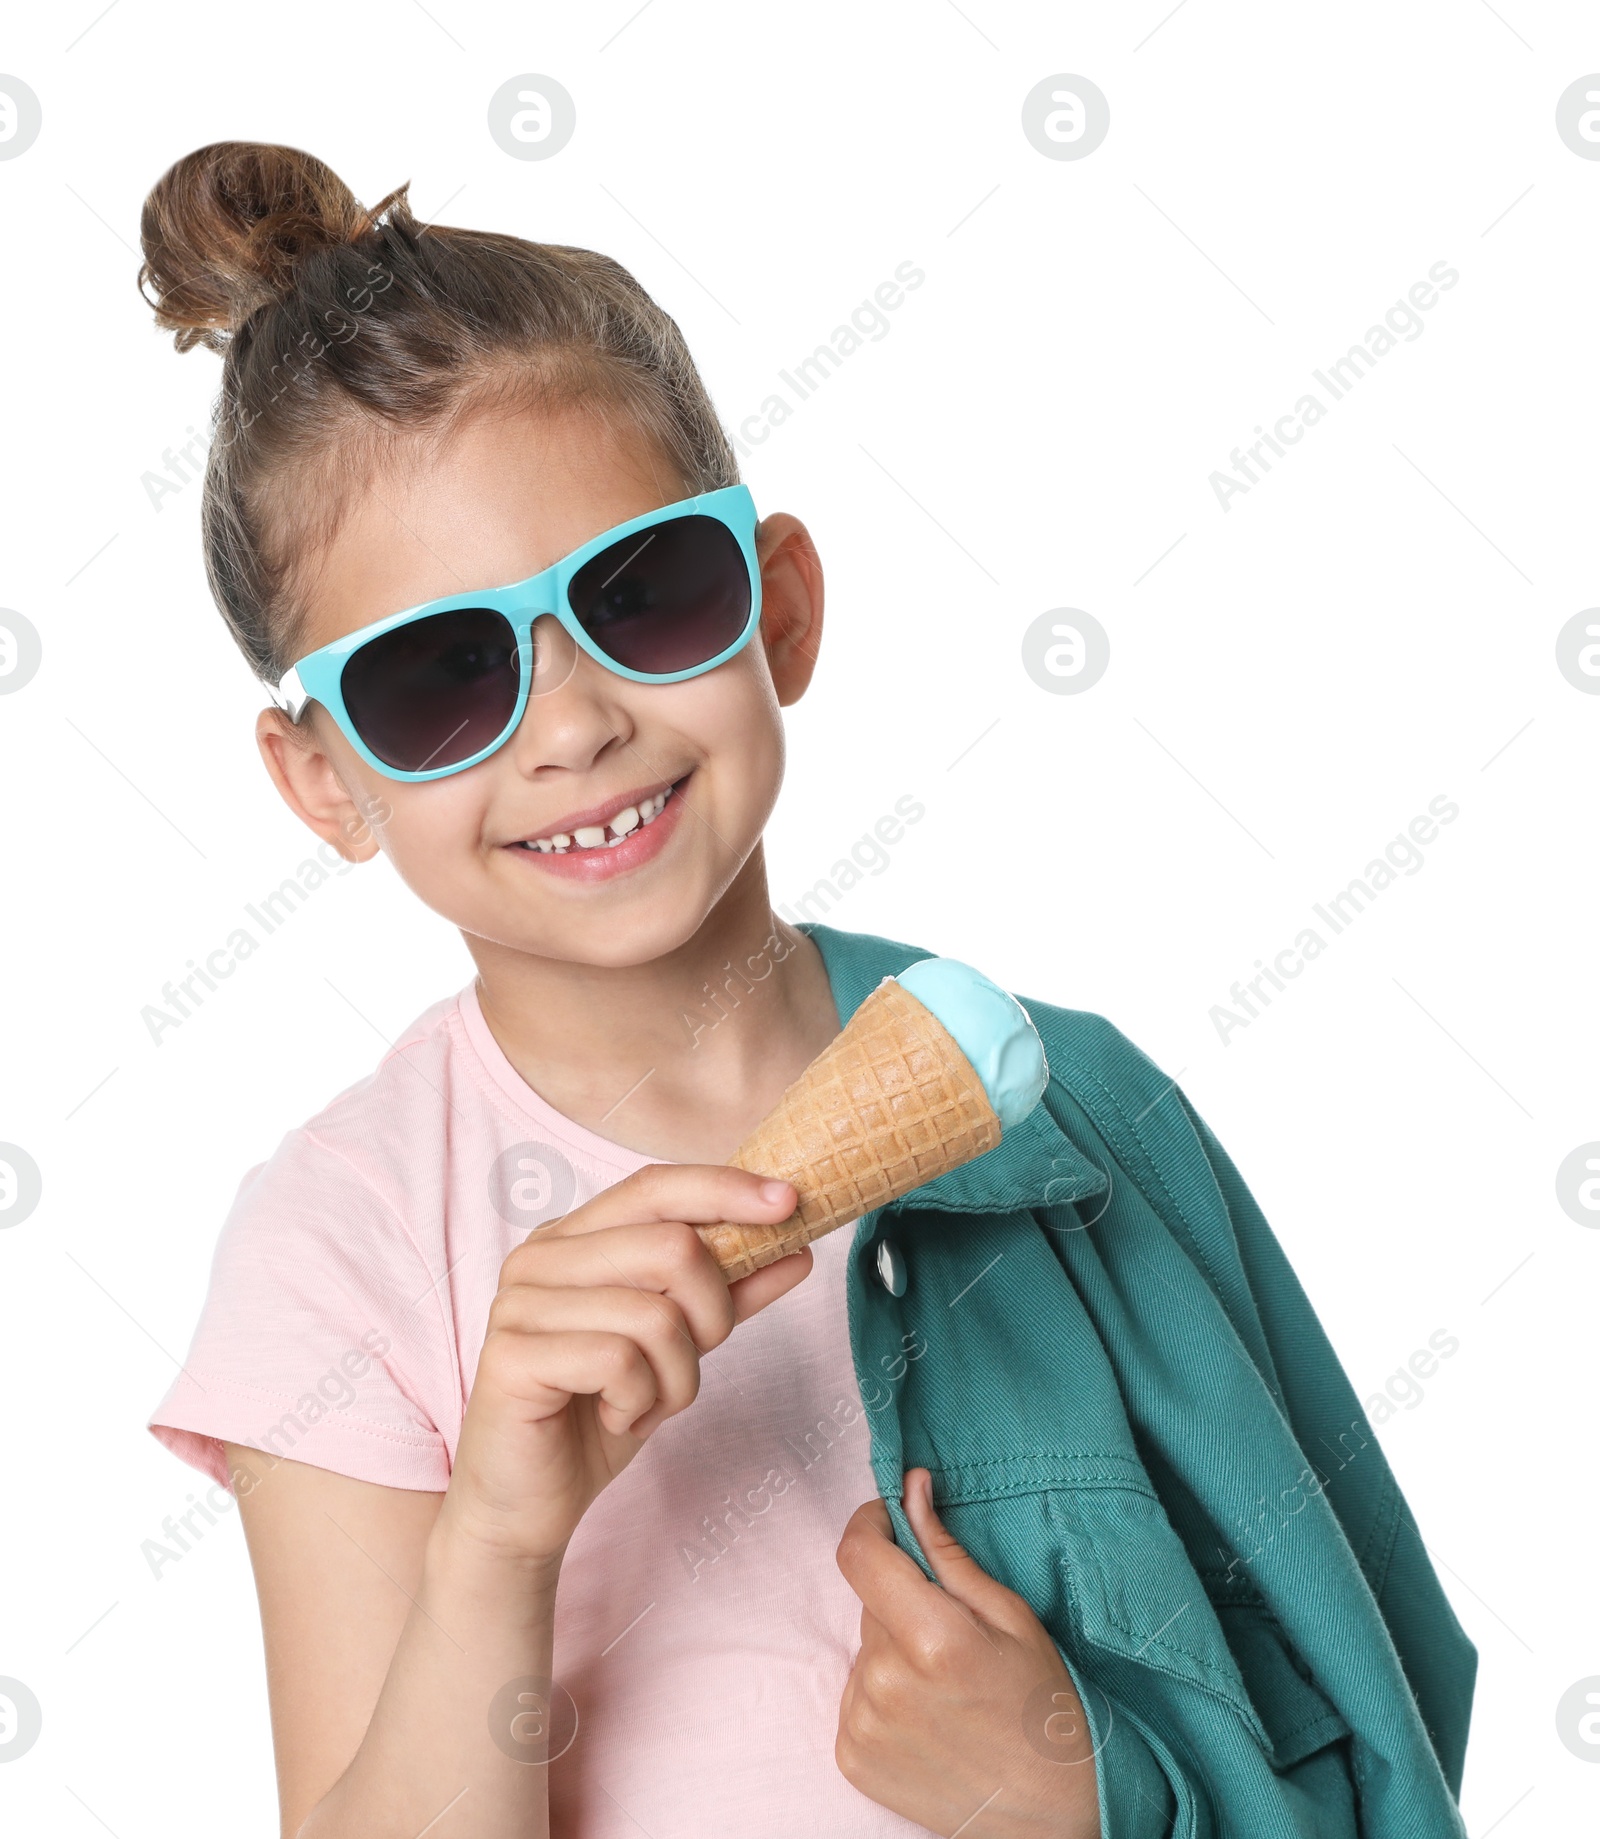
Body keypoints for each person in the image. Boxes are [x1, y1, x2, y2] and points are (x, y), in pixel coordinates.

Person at [140, 142, 1475, 1839]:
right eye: (435, 677)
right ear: (322, 779)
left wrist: (1086, 1794)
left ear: (777, 606)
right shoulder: (343, 1247)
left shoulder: (1085, 1113)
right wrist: (497, 1535)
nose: (570, 727)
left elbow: (1381, 1725)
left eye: (645, 596)